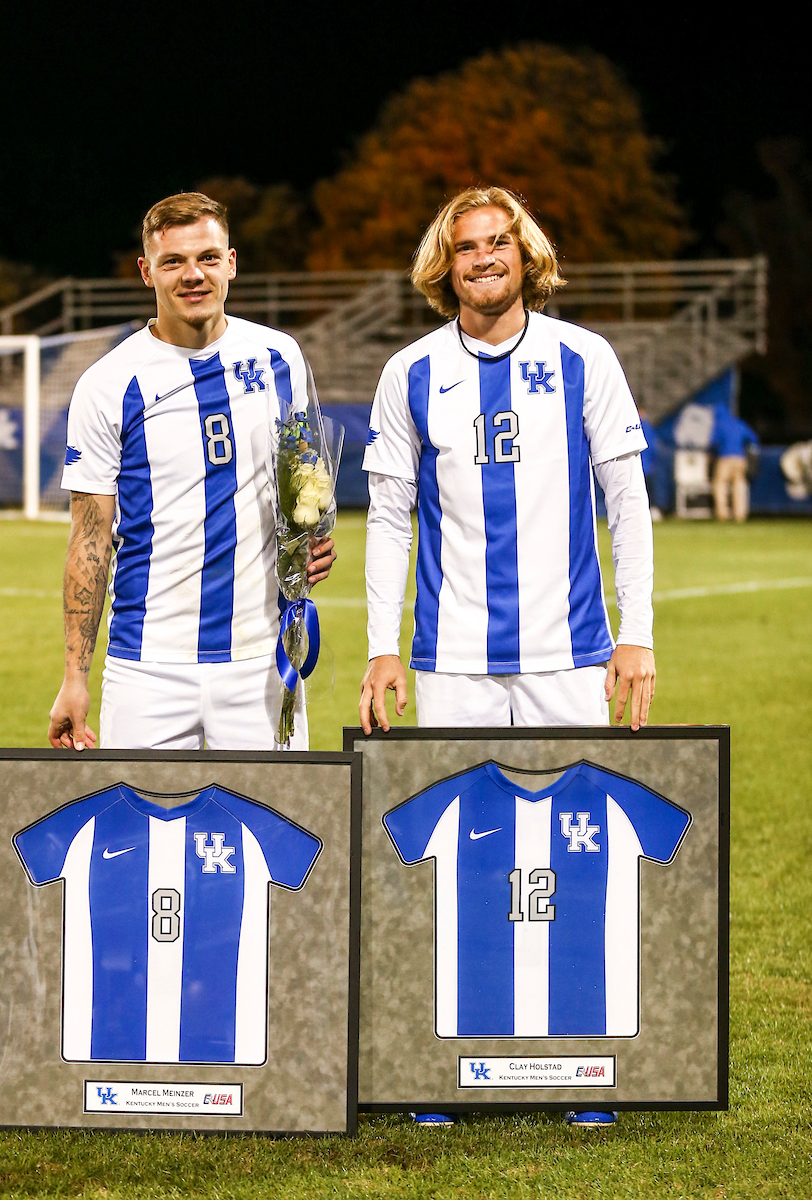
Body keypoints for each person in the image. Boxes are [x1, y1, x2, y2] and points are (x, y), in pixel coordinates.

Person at [358, 186, 655, 1130]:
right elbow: (390, 519)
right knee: (460, 860)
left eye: (499, 242)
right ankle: (449, 1060)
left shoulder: (584, 358)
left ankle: (582, 1061)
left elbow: (626, 501)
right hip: (452, 659)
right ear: (442, 266)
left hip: (570, 653)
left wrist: (638, 632)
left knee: (579, 852)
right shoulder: (410, 371)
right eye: (466, 246)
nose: (484, 257)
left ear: (527, 255)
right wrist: (381, 647)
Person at [47, 193, 335, 753]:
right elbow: (89, 540)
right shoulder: (108, 384)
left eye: (207, 257)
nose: (193, 275)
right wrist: (74, 678)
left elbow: (303, 478)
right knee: (141, 814)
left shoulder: (279, 356)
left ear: (231, 262)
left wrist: (312, 541)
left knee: (271, 813)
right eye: (173, 261)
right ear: (146, 271)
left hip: (261, 659)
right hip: (147, 666)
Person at [711, 406, 758, 522]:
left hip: (725, 458)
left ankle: (722, 513)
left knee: (720, 484)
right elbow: (753, 439)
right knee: (739, 485)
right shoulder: (739, 424)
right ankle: (740, 514)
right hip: (740, 459)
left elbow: (713, 443)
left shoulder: (720, 425)